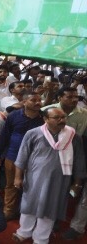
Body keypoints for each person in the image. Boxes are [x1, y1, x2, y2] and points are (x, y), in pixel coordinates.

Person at [12, 107, 86, 244]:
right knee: (29, 205)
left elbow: (79, 161)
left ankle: (41, 238)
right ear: (46, 119)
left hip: (60, 180)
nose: (62, 120)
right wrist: (18, 177)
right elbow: (22, 156)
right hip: (34, 178)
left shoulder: (73, 137)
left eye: (63, 117)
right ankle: (24, 232)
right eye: (57, 118)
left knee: (50, 208)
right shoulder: (33, 133)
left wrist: (77, 183)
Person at [0, 92, 43, 220]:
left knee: (31, 187)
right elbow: (5, 136)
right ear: (24, 102)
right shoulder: (14, 116)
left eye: (39, 100)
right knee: (11, 185)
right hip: (12, 156)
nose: (38, 102)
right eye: (33, 100)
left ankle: (25, 212)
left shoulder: (44, 119)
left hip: (35, 159)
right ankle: (8, 210)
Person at [49, 88, 87, 240]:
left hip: (74, 159)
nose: (74, 99)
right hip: (57, 160)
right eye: (69, 96)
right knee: (57, 190)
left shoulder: (84, 115)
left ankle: (76, 227)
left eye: (76, 97)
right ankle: (52, 218)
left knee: (83, 198)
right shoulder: (48, 111)